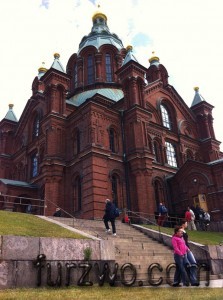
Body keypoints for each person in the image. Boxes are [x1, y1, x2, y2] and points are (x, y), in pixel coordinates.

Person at [179, 219, 199, 286]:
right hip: (184, 250)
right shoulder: (180, 231)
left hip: (187, 248)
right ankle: (190, 280)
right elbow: (181, 242)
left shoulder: (184, 231)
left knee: (193, 264)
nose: (187, 224)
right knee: (190, 264)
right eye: (186, 223)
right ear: (183, 224)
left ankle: (193, 280)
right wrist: (186, 248)